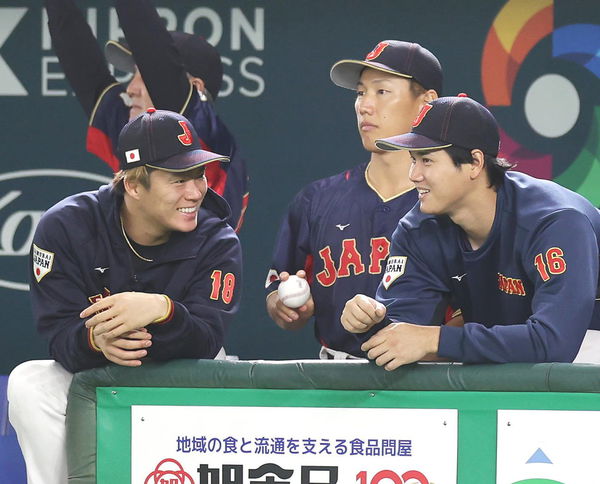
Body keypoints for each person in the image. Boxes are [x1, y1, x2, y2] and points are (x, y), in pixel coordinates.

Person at [7, 108, 242, 484]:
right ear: (134, 186)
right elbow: (58, 334)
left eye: (198, 174)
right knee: (29, 383)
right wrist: (94, 340)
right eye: (178, 179)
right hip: (99, 370)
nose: (196, 191)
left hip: (184, 372)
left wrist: (161, 310)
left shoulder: (217, 238)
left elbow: (208, 338)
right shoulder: (66, 226)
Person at [341, 95, 600, 369]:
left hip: (584, 343)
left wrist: (435, 340)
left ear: (475, 163)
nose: (414, 175)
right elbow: (403, 338)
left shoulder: (554, 220)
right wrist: (371, 324)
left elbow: (554, 343)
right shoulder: (418, 229)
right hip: (518, 349)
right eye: (412, 160)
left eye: (427, 160)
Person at [265, 41, 443, 359]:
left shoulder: (451, 203)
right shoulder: (316, 200)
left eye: (381, 91)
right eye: (361, 92)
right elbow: (277, 297)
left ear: (425, 103)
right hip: (337, 381)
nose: (364, 106)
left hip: (432, 384)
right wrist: (287, 306)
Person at [44, 0, 249, 231]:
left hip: (195, 264)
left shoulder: (202, 135)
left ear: (195, 88)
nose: (130, 88)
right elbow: (84, 67)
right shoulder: (145, 138)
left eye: (145, 76)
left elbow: (145, 32)